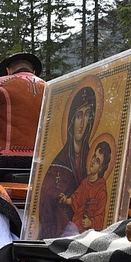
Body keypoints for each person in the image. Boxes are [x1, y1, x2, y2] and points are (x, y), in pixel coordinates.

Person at [38, 86, 97, 238]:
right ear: (71, 121)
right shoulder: (58, 165)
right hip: (63, 235)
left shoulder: (92, 159)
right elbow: (49, 206)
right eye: (78, 116)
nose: (82, 123)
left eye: (87, 116)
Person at [59, 140, 111, 232]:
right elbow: (76, 199)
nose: (93, 161)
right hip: (76, 225)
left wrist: (91, 223)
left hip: (89, 233)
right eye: (94, 157)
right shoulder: (85, 182)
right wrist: (65, 200)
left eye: (98, 161)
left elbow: (100, 217)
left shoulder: (101, 190)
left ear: (101, 168)